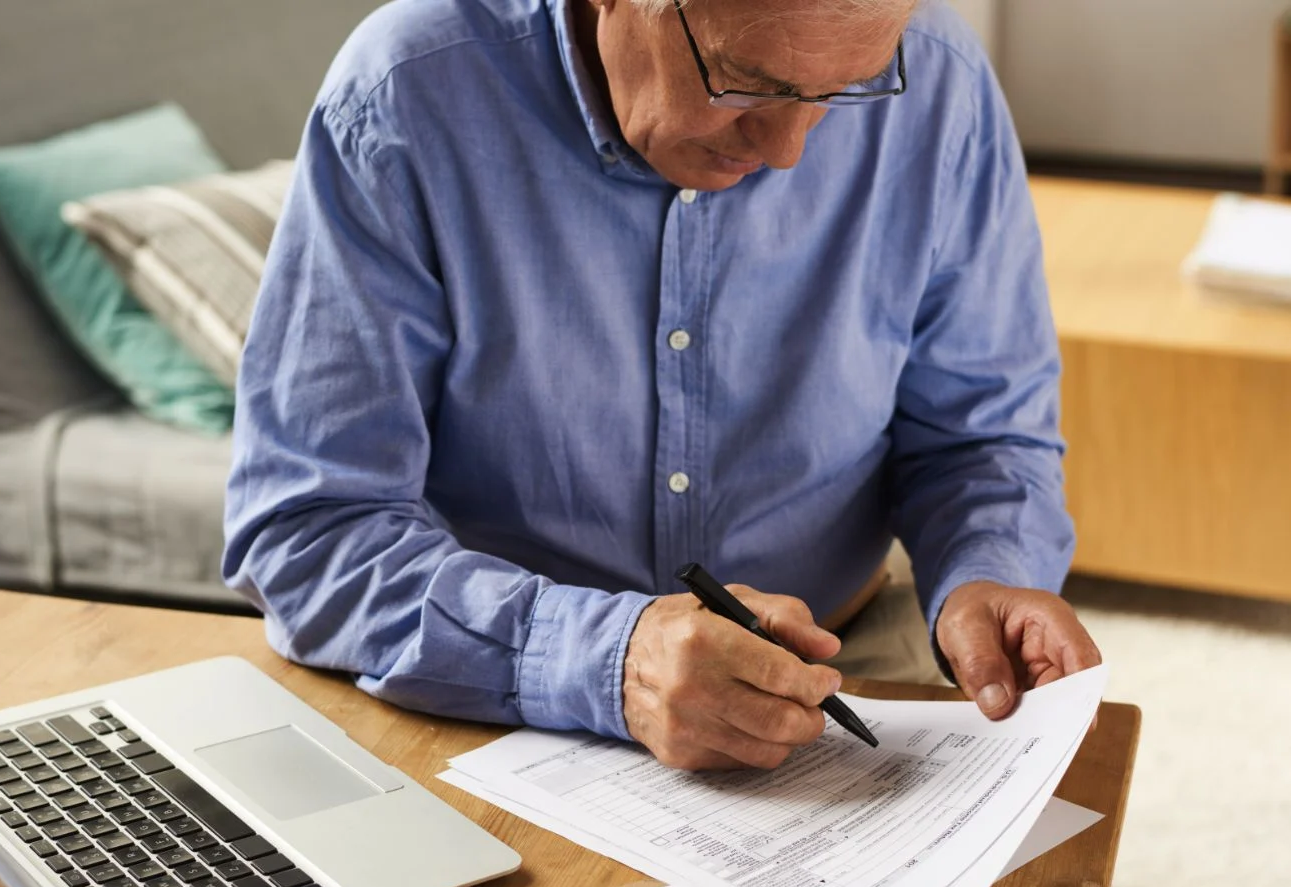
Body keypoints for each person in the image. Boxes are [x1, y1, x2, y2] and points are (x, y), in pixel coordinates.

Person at [223, 0, 1104, 771]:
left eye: (844, 90)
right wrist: (610, 658)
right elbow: (308, 529)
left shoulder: (941, 83)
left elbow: (981, 436)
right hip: (492, 702)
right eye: (744, 81)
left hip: (845, 668)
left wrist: (990, 571)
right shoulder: (403, 97)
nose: (790, 151)